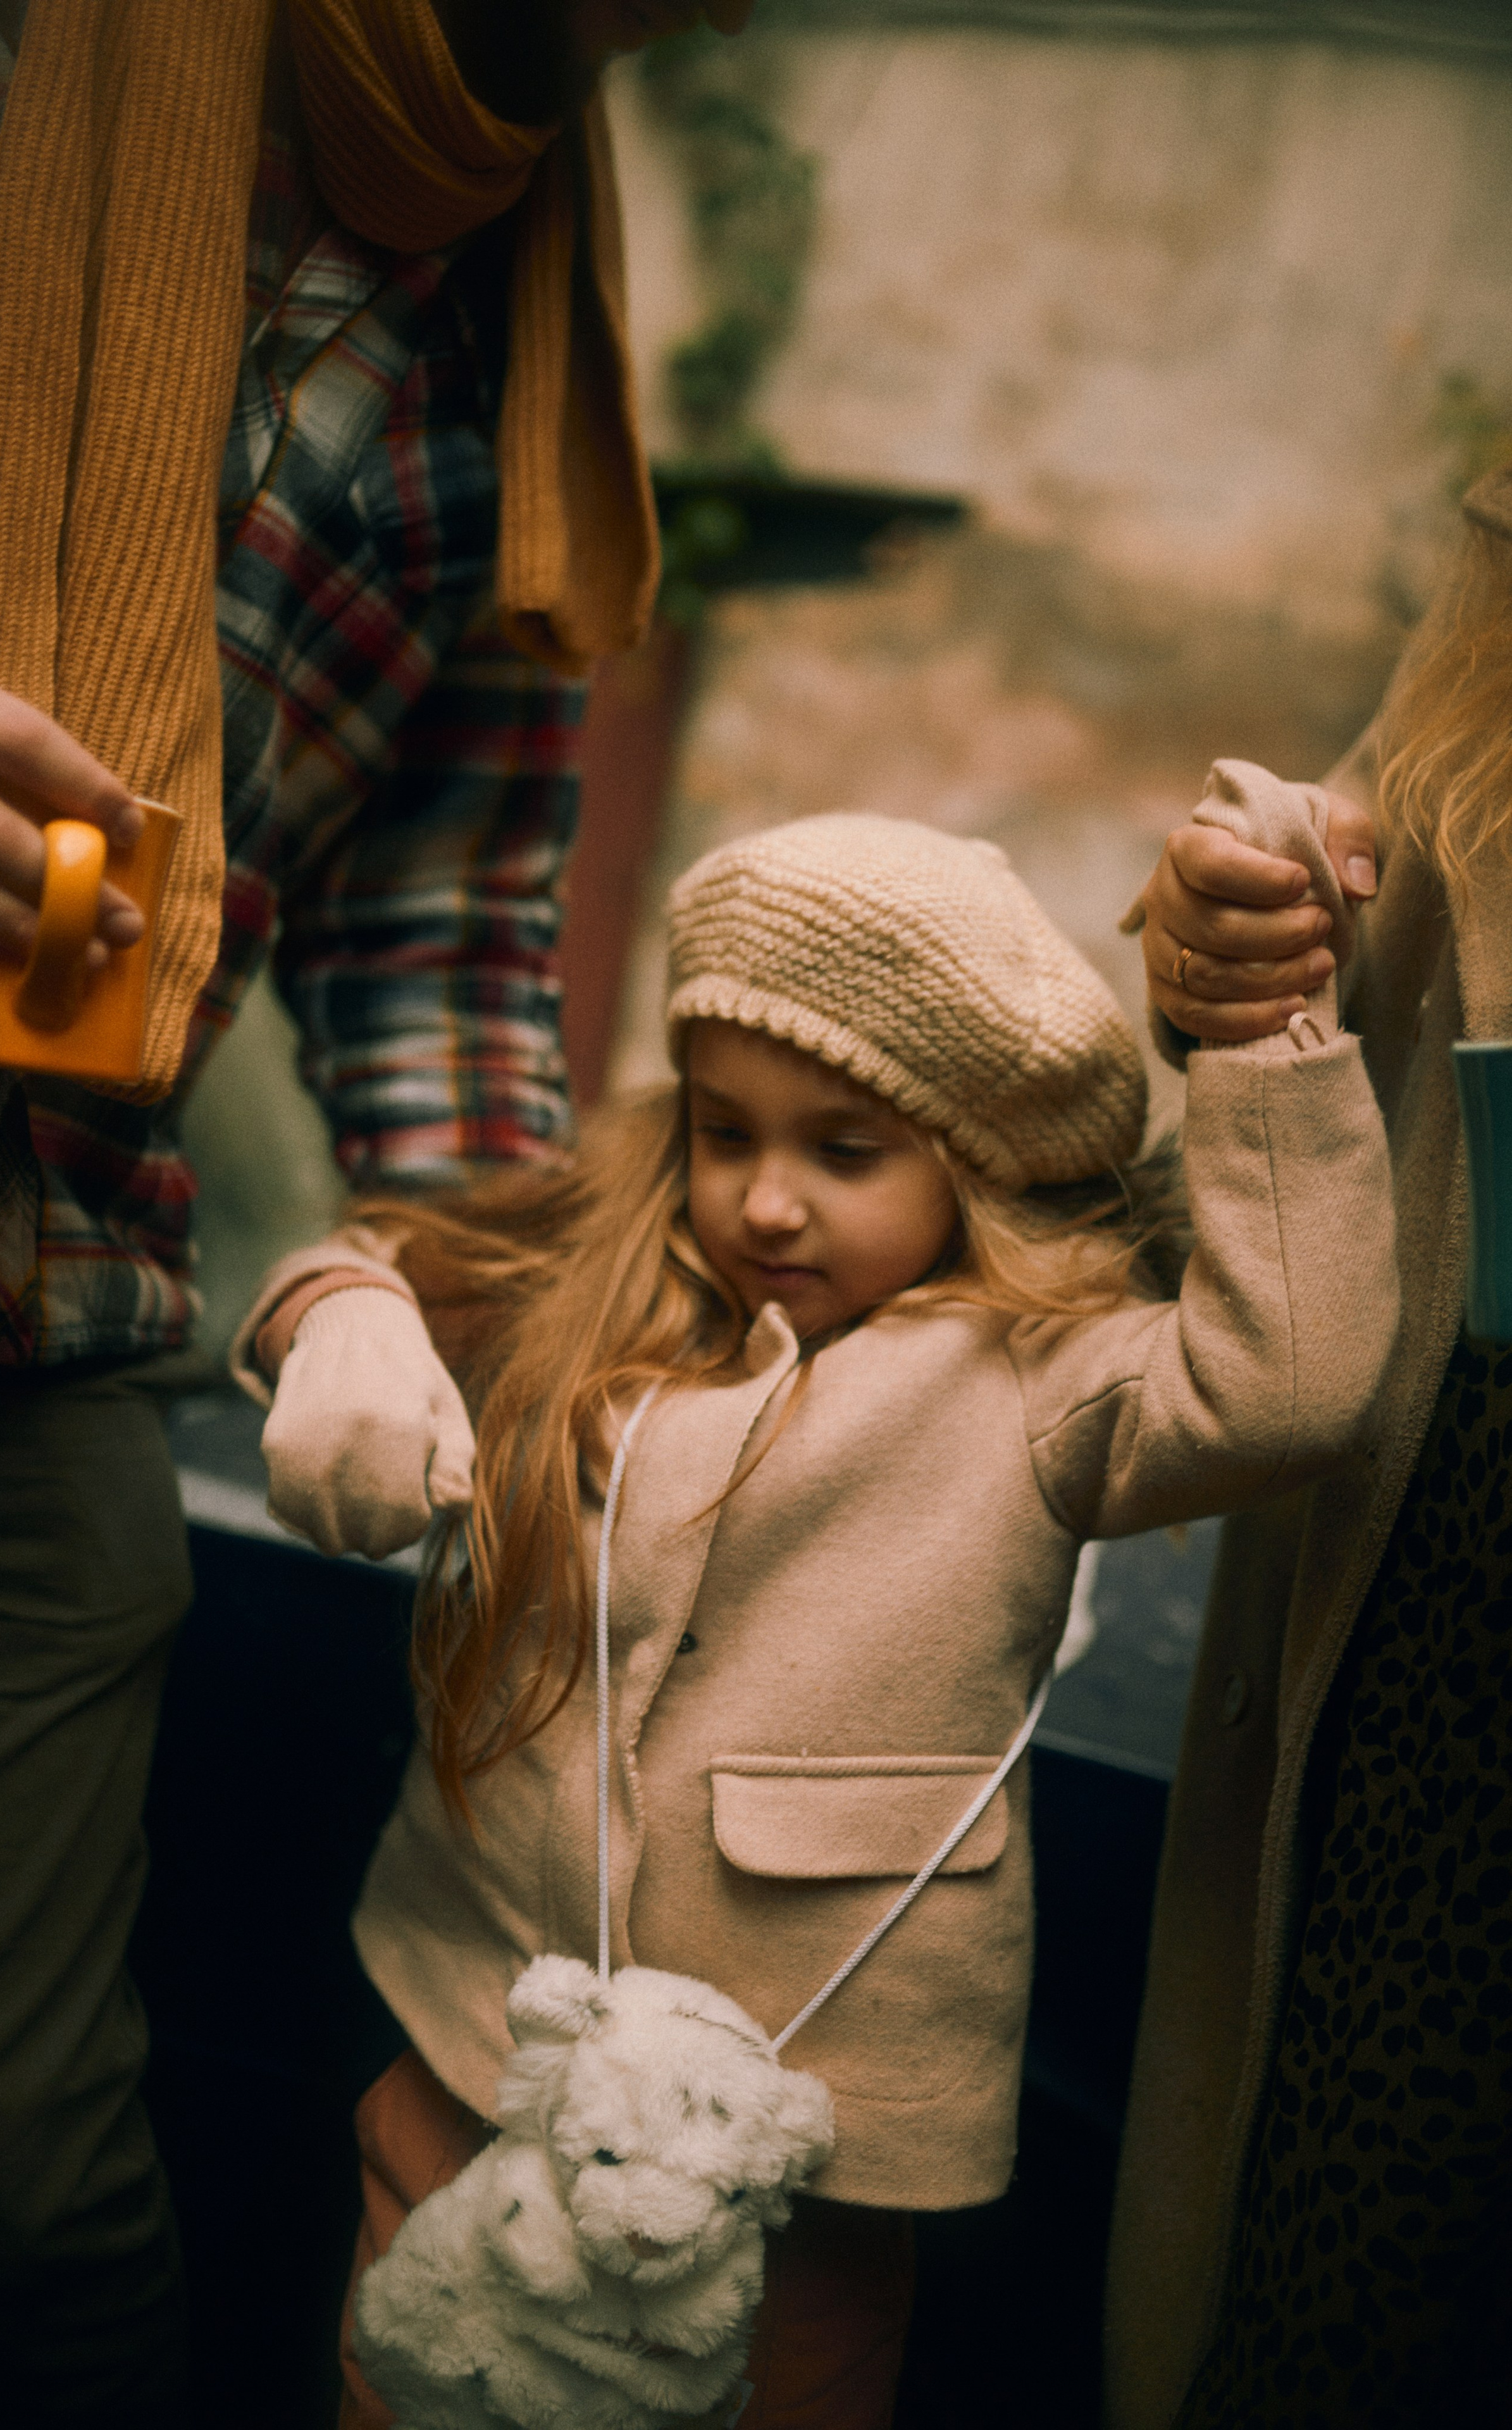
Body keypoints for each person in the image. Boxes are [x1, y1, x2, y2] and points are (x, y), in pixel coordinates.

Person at [0, 3, 745, 2421]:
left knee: (15, 2211)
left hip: (24, 1304)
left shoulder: (525, 310)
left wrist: (414, 1292)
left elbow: (450, 925)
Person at [238, 800, 1399, 2429]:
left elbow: (1292, 1386)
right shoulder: (613, 1275)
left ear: (973, 1160)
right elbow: (370, 1255)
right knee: (410, 2382)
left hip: (802, 2117)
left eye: (844, 1152)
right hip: (478, 2037)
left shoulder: (1039, 1378)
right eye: (725, 1133)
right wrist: (341, 1317)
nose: (765, 1202)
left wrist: (1265, 1046)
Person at [1105, 464, 1512, 2428]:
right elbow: (1359, 887)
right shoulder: (1505, 570)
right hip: (1446, 1649)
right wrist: (1230, 947)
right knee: (1355, 2296)